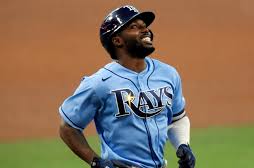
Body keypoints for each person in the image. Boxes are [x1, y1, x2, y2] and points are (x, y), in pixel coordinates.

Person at [59, 5, 196, 168]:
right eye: (134, 27)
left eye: (145, 26)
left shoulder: (168, 74)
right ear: (117, 40)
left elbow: (177, 118)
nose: (145, 30)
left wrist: (183, 144)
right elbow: (68, 127)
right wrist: (96, 162)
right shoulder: (99, 83)